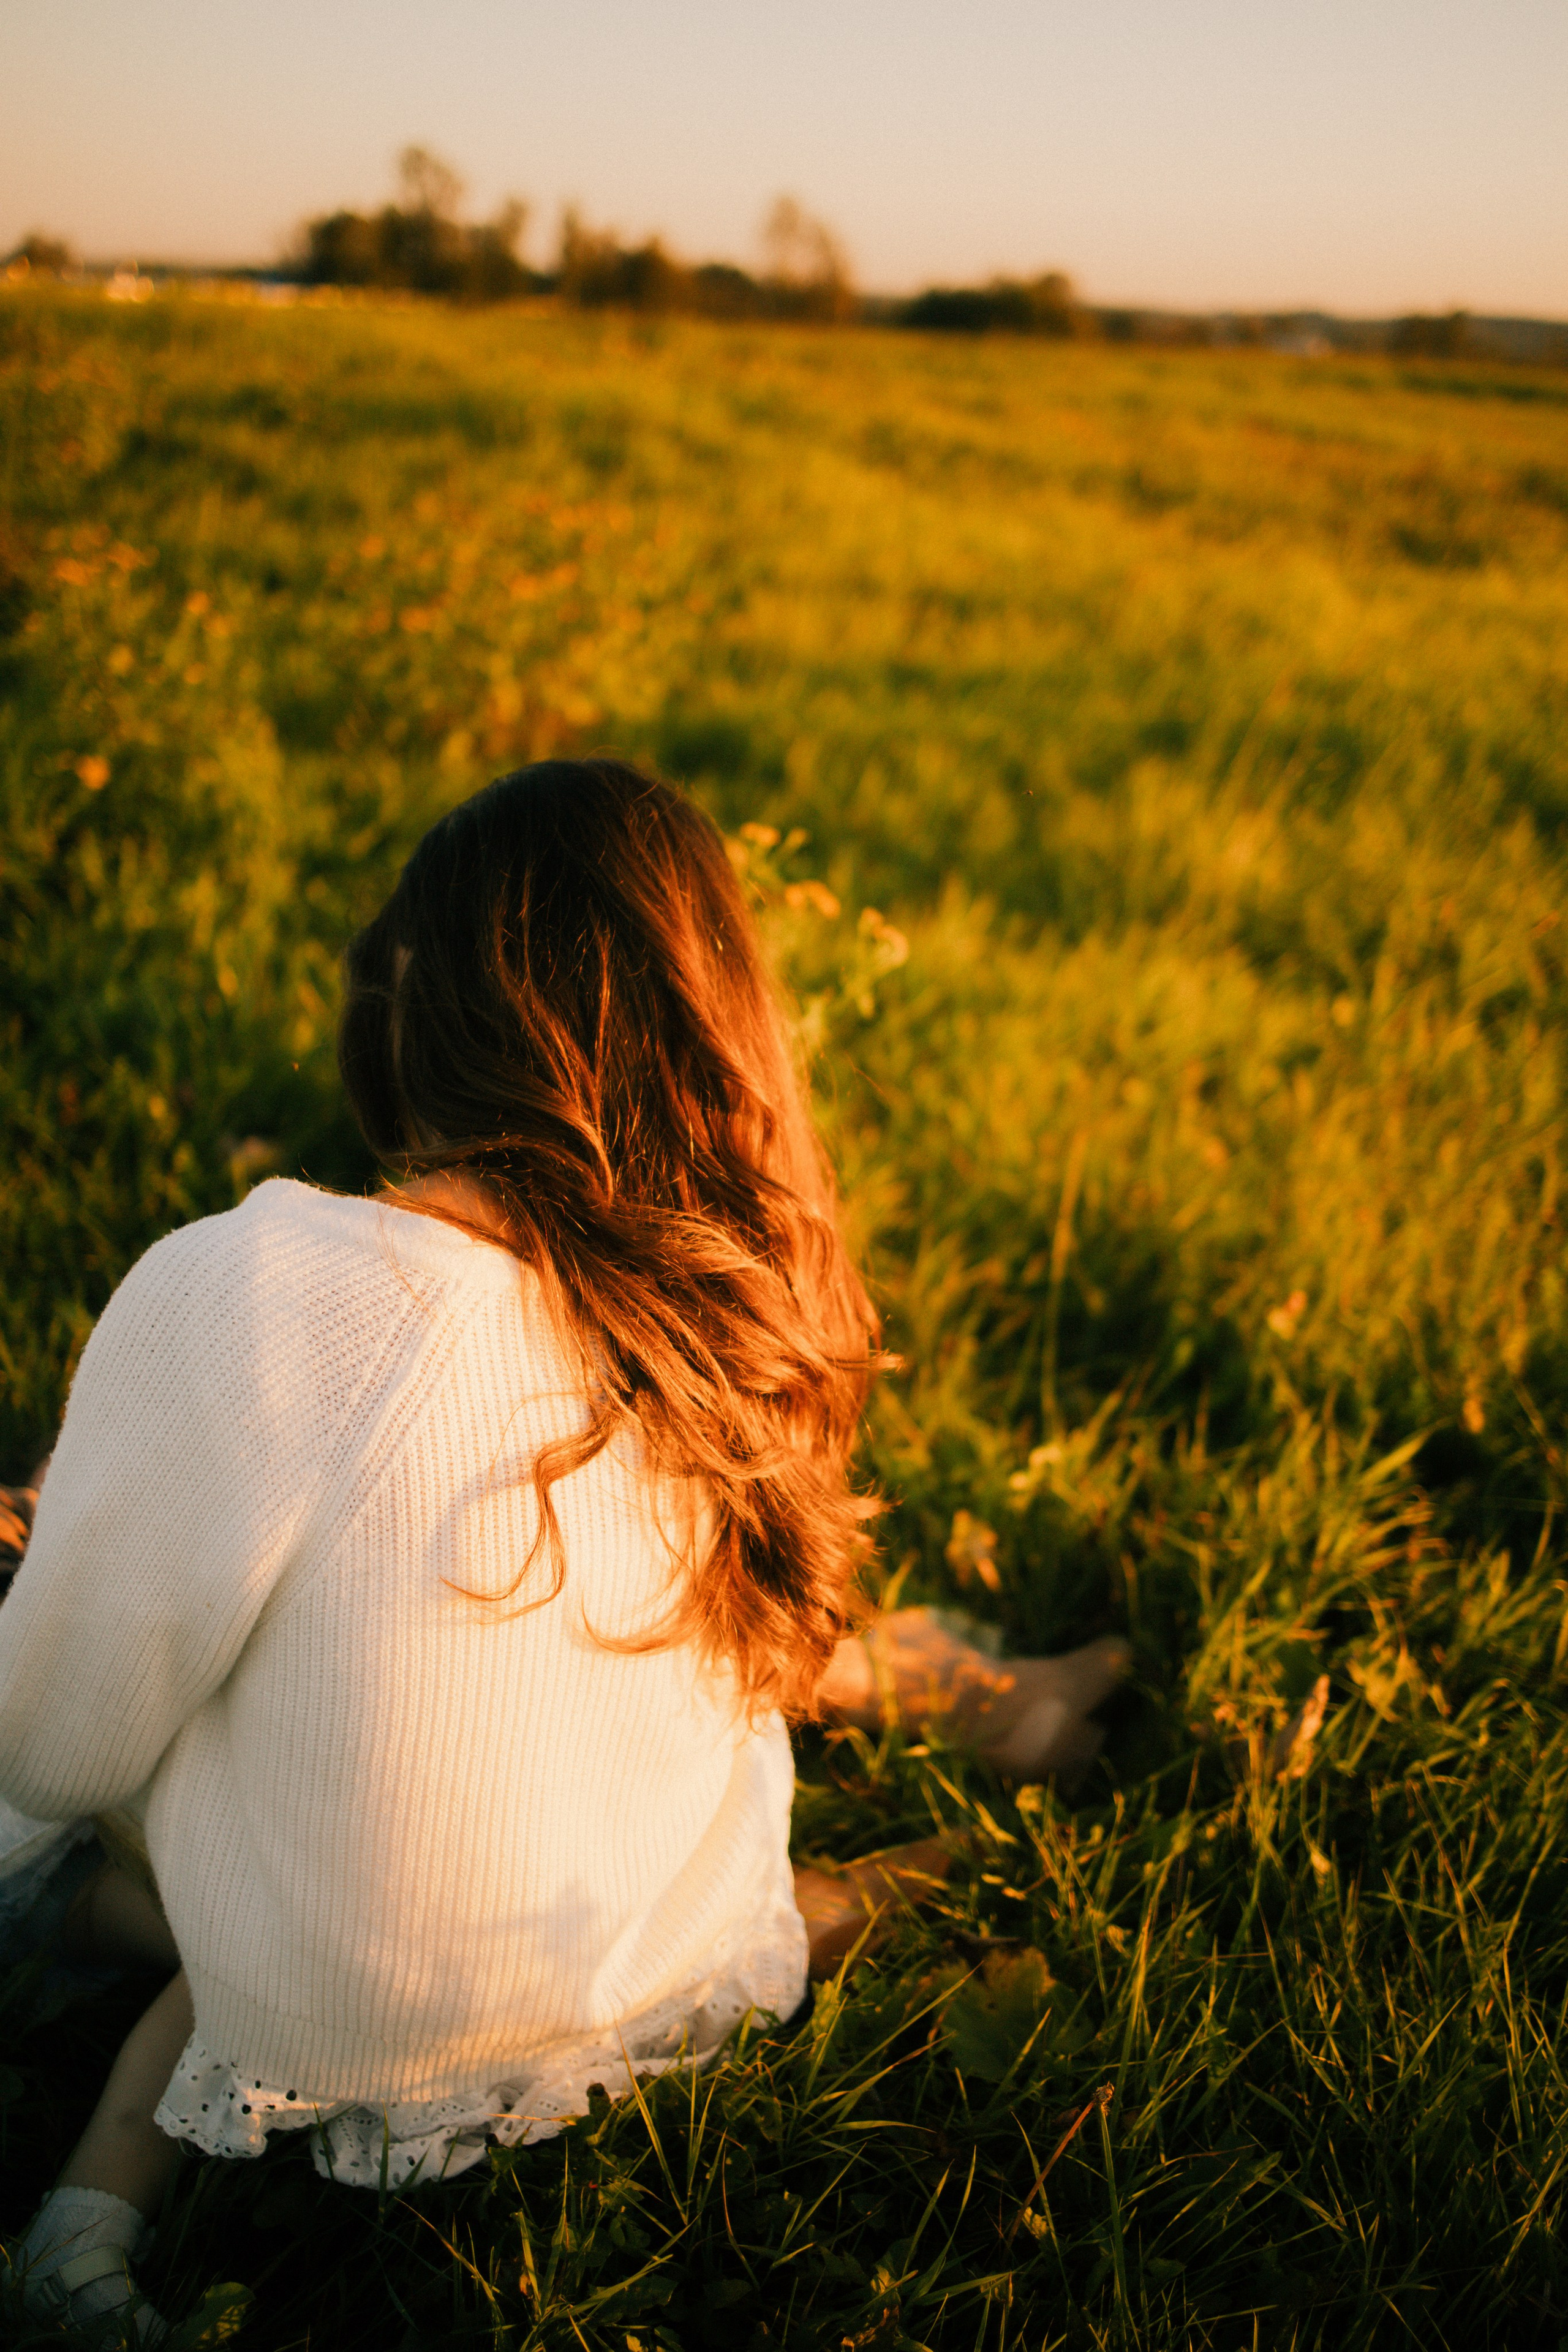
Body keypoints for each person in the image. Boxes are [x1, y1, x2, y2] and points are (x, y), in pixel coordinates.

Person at [0, 761, 1123, 2340]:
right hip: (611, 1940)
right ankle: (966, 1747)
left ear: (413, 1001)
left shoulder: (252, 1289)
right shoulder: (714, 1310)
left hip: (338, 1988)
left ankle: (938, 1786)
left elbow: (51, 1749)